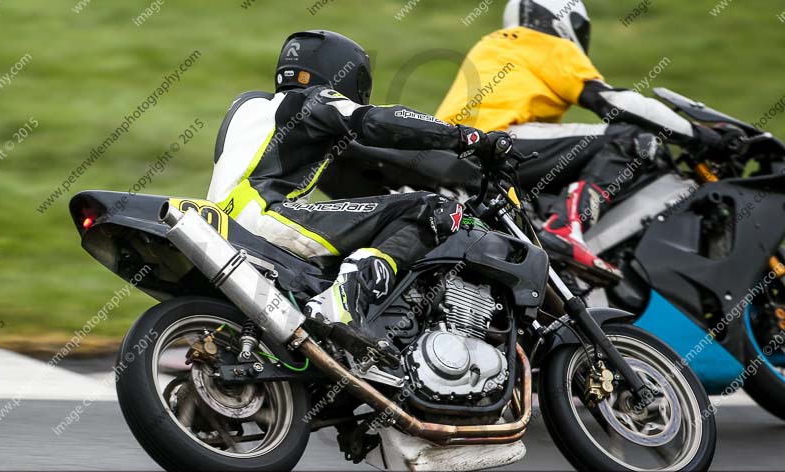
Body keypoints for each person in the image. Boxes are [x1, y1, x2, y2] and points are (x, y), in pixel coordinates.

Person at [207, 30, 511, 346]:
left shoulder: (251, 106)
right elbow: (378, 121)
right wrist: (466, 137)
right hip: (265, 216)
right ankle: (344, 302)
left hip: (222, 222)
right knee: (433, 208)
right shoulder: (314, 99)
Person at [435, 0, 727, 278]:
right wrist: (703, 136)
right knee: (633, 139)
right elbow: (613, 102)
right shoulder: (540, 41)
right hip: (498, 142)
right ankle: (564, 228)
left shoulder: (494, 45)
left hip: (452, 152)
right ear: (565, 21)